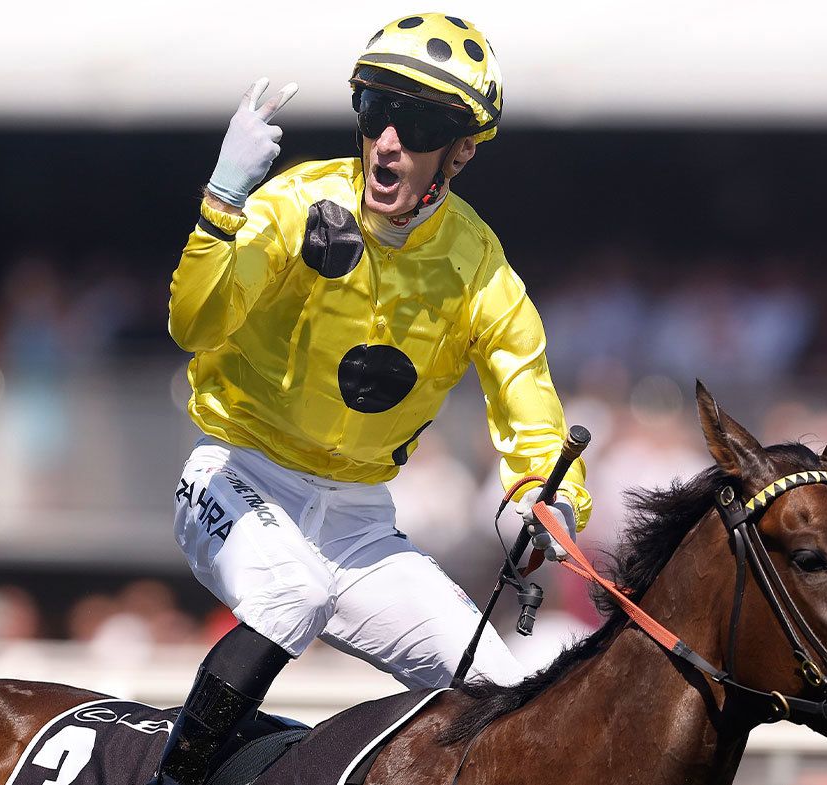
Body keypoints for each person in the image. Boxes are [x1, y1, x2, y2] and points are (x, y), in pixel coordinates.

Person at [152, 13, 592, 785]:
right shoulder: (296, 204)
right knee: (293, 594)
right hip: (235, 473)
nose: (388, 140)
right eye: (376, 110)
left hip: (358, 519)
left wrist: (549, 496)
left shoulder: (481, 268)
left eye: (417, 122)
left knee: (503, 691)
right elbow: (194, 323)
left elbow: (528, 402)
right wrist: (222, 203)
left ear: (462, 149)